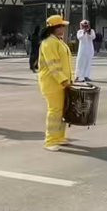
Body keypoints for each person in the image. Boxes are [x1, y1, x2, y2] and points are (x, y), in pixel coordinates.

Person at [38, 14, 73, 150]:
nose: (63, 28)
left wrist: (69, 80)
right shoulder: (49, 43)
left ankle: (59, 137)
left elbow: (65, 63)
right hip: (52, 83)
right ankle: (50, 141)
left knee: (62, 111)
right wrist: (63, 80)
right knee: (55, 111)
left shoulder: (58, 41)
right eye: (61, 26)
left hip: (61, 82)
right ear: (54, 28)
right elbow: (53, 65)